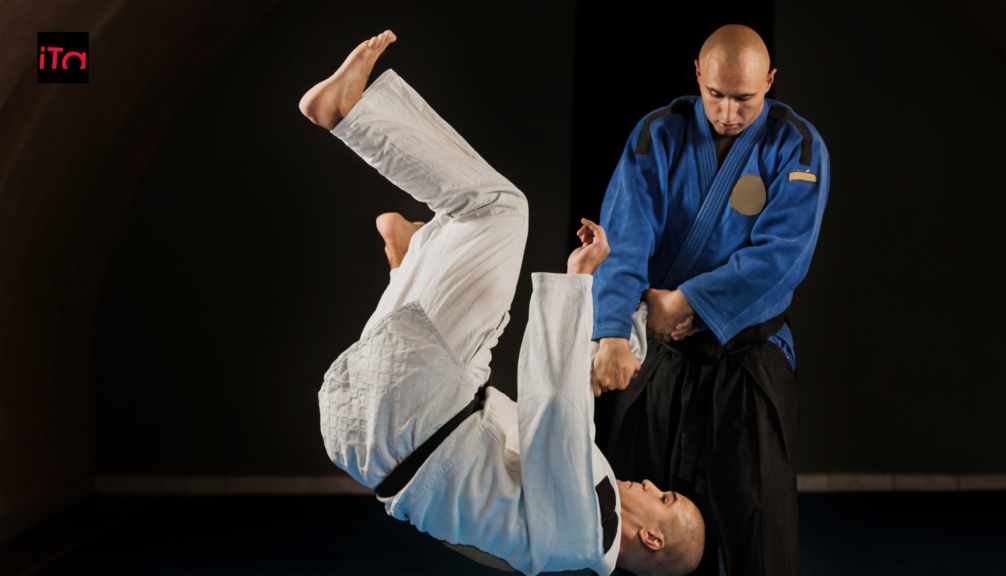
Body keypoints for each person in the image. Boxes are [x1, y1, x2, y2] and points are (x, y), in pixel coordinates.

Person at [299, 31, 704, 576]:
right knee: (458, 344)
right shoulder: (565, 538)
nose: (654, 484)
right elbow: (557, 415)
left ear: (652, 538)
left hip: (417, 411)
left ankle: (350, 116)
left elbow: (553, 409)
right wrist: (627, 331)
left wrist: (578, 281)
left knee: (498, 208)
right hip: (359, 432)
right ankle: (414, 259)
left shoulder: (586, 528)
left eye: (666, 498)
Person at [589, 24, 830, 576]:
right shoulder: (657, 133)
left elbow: (782, 256)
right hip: (661, 355)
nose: (728, 112)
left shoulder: (797, 145)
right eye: (715, 94)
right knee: (644, 538)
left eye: (744, 98)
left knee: (760, 541)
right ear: (697, 74)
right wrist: (611, 334)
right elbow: (624, 239)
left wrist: (688, 301)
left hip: (749, 358)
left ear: (769, 81)